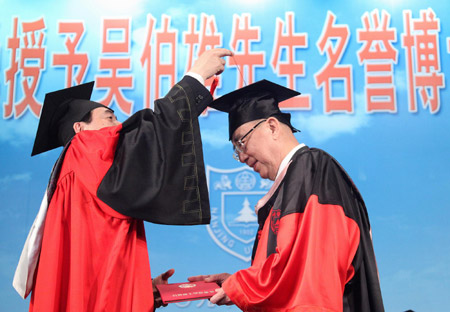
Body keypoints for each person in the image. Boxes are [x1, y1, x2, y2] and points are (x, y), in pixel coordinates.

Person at [12, 48, 233, 311]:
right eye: (110, 118)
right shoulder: (85, 148)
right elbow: (151, 134)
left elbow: (93, 265)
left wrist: (141, 289)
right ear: (80, 129)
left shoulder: (72, 173)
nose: (119, 125)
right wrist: (195, 78)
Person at [189, 80, 384, 311]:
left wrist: (242, 285)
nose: (241, 157)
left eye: (241, 142)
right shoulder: (294, 179)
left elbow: (307, 274)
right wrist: (238, 284)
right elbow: (290, 265)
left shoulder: (313, 169)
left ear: (272, 126)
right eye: (235, 150)